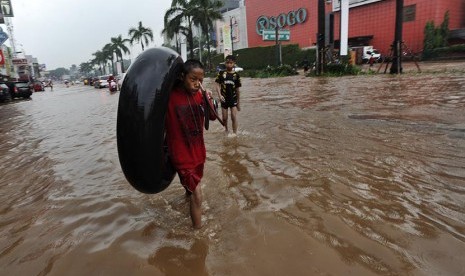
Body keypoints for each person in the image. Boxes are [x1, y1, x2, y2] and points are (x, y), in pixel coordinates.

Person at [165, 59, 214, 229]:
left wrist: (209, 100)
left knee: (191, 191)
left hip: (199, 152)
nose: (196, 84)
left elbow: (212, 118)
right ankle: (198, 235)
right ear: (182, 76)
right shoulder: (168, 97)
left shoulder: (200, 95)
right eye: (193, 79)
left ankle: (189, 205)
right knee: (198, 193)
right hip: (181, 154)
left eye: (200, 80)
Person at [215, 55, 242, 135]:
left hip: (233, 99)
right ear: (225, 63)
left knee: (233, 117)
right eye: (227, 63)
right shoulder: (221, 73)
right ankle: (226, 130)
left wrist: (238, 103)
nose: (229, 64)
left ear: (234, 63)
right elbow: (217, 84)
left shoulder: (236, 75)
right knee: (224, 118)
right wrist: (220, 95)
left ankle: (235, 133)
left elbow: (237, 90)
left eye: (231, 63)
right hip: (224, 99)